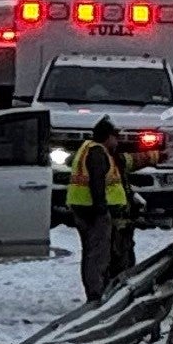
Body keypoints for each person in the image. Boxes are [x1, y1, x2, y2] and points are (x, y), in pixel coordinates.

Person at [66, 119, 138, 303]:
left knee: (90, 252)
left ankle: (95, 290)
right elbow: (97, 181)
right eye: (116, 137)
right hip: (93, 210)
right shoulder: (98, 153)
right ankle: (96, 295)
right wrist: (101, 208)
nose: (118, 142)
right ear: (108, 137)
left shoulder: (86, 147)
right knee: (98, 255)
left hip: (81, 207)